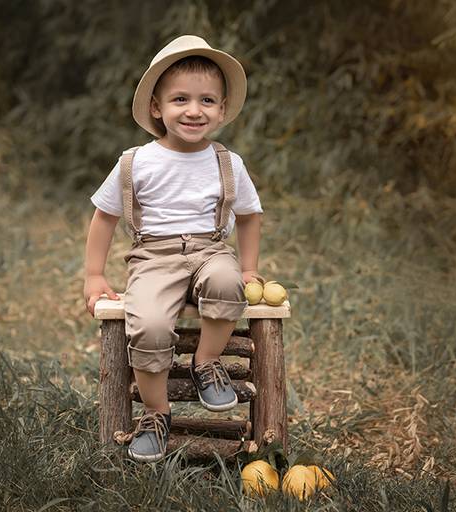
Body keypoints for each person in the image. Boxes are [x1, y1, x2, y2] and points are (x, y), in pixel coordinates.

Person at [83, 35, 263, 462]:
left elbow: (251, 216)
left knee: (226, 281)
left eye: (207, 100)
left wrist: (250, 269)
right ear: (156, 107)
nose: (194, 110)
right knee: (146, 325)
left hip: (209, 250)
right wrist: (94, 275)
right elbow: (104, 216)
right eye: (180, 98)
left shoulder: (227, 163)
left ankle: (205, 361)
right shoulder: (136, 162)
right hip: (154, 256)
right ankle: (155, 413)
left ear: (221, 110)